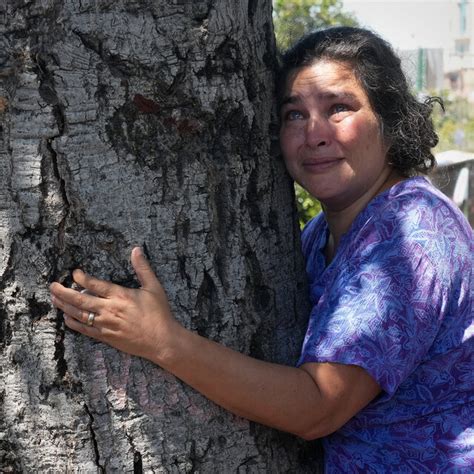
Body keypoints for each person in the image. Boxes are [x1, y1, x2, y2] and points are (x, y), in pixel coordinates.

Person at [50, 27, 473, 472]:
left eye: (339, 108)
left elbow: (319, 407)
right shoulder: (320, 236)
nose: (314, 134)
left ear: (389, 121)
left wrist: (162, 340)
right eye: (294, 114)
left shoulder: (413, 234)